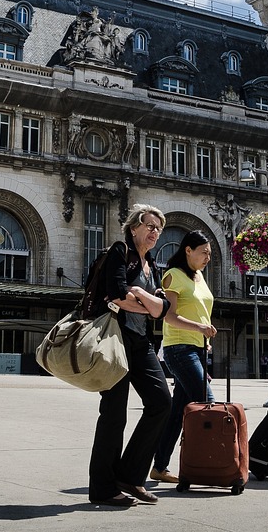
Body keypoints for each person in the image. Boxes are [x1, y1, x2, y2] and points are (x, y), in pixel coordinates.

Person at [88, 204, 172, 507]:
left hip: (140, 341)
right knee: (114, 413)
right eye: (149, 225)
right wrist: (148, 305)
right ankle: (102, 487)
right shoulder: (120, 251)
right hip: (115, 339)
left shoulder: (151, 264)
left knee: (162, 401)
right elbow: (118, 295)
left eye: (158, 228)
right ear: (134, 227)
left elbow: (163, 309)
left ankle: (129, 475)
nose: (154, 232)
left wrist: (145, 302)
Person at [149, 230, 218, 483]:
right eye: (204, 252)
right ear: (188, 250)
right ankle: (214, 461)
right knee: (208, 404)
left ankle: (159, 467)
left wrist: (204, 339)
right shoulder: (173, 276)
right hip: (179, 348)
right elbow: (168, 315)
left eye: (210, 253)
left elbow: (201, 311)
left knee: (179, 412)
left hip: (198, 348)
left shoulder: (199, 276)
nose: (207, 257)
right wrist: (200, 328)